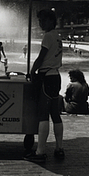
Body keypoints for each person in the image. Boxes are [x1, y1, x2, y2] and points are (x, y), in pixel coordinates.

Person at [24, 9, 64, 162]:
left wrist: (32, 70)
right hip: (56, 76)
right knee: (55, 114)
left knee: (43, 114)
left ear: (51, 21)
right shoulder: (58, 37)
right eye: (39, 21)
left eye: (43, 20)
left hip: (47, 77)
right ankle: (59, 148)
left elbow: (41, 57)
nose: (41, 23)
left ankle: (40, 152)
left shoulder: (48, 36)